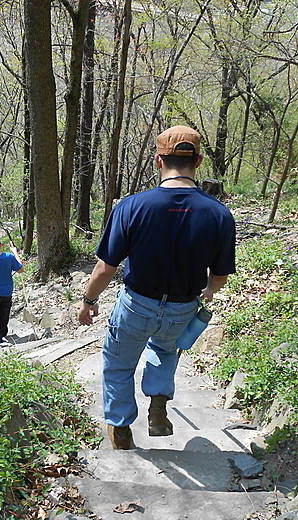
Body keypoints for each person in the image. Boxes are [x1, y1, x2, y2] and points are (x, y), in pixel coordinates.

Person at [77, 125, 236, 450]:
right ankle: (158, 407)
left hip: (137, 304)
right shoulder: (219, 214)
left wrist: (89, 300)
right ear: (200, 161)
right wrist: (207, 292)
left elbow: (106, 267)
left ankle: (121, 429)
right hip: (182, 307)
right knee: (164, 352)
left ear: (158, 160)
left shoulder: (132, 207)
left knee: (119, 364)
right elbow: (219, 276)